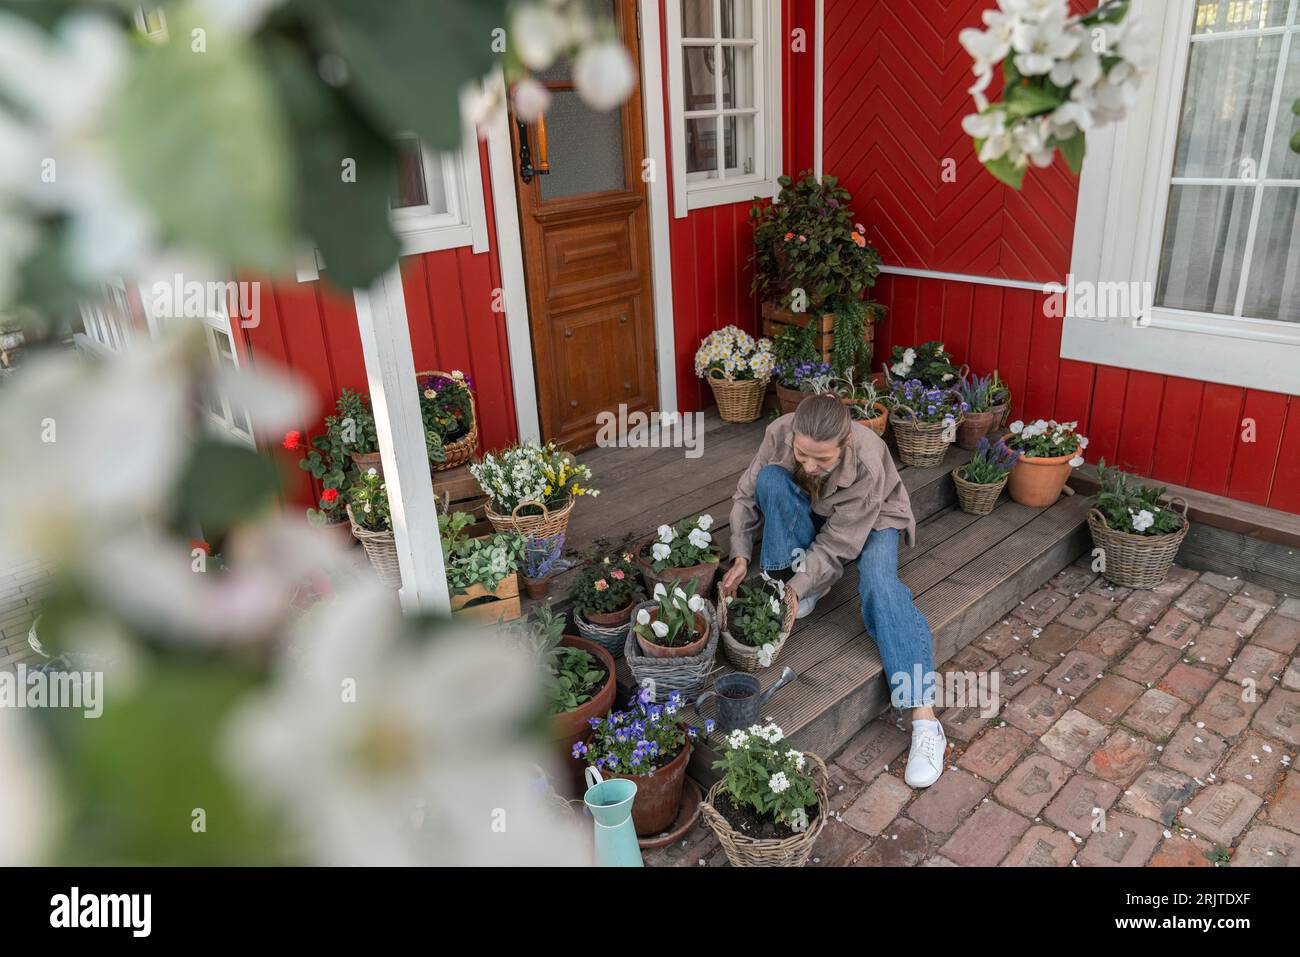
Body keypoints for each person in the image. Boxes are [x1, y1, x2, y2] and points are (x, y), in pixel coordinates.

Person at [720, 394, 945, 788]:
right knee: (772, 479)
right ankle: (803, 585)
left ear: (844, 445)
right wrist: (740, 555)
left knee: (879, 585)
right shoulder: (779, 432)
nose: (809, 465)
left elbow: (839, 544)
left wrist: (795, 588)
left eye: (821, 460)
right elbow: (746, 495)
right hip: (815, 508)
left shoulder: (868, 460)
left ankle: (924, 719)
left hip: (874, 519)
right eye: (802, 454)